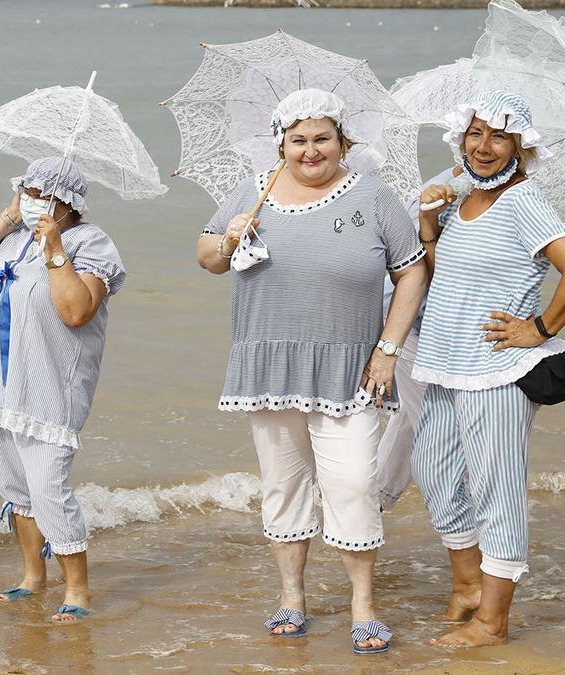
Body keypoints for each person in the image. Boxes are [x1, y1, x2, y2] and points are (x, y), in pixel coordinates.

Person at [195, 89, 427, 654]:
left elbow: (412, 272)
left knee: (351, 485)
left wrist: (389, 349)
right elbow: (207, 258)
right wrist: (229, 237)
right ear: (281, 144)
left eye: (322, 137)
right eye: (298, 140)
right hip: (269, 365)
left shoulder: (374, 195)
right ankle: (292, 596)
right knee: (282, 485)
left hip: (353, 367)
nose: (310, 150)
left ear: (343, 140)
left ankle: (362, 604)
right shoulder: (254, 191)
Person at [411, 90, 565, 647]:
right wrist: (430, 222)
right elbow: (443, 274)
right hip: (448, 363)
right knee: (431, 469)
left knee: (498, 491)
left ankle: (493, 622)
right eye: (475, 134)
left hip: (498, 372)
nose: (483, 146)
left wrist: (541, 329)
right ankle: (469, 585)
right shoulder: (462, 198)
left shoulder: (524, 201)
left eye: (498, 136)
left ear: (520, 148)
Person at [0, 157, 125, 624]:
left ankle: (78, 588)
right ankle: (33, 576)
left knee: (49, 487)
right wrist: (12, 215)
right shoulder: (12, 241)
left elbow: (76, 311)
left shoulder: (91, 242)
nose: (31, 200)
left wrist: (54, 248)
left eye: (39, 193)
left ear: (67, 203)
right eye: (25, 190)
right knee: (15, 486)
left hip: (49, 387)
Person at [375, 165, 458, 511]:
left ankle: (367, 505)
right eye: (475, 135)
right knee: (445, 430)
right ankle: (467, 535)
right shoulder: (444, 193)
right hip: (416, 324)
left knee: (413, 418)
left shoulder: (506, 191)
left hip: (442, 328)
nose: (484, 147)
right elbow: (415, 270)